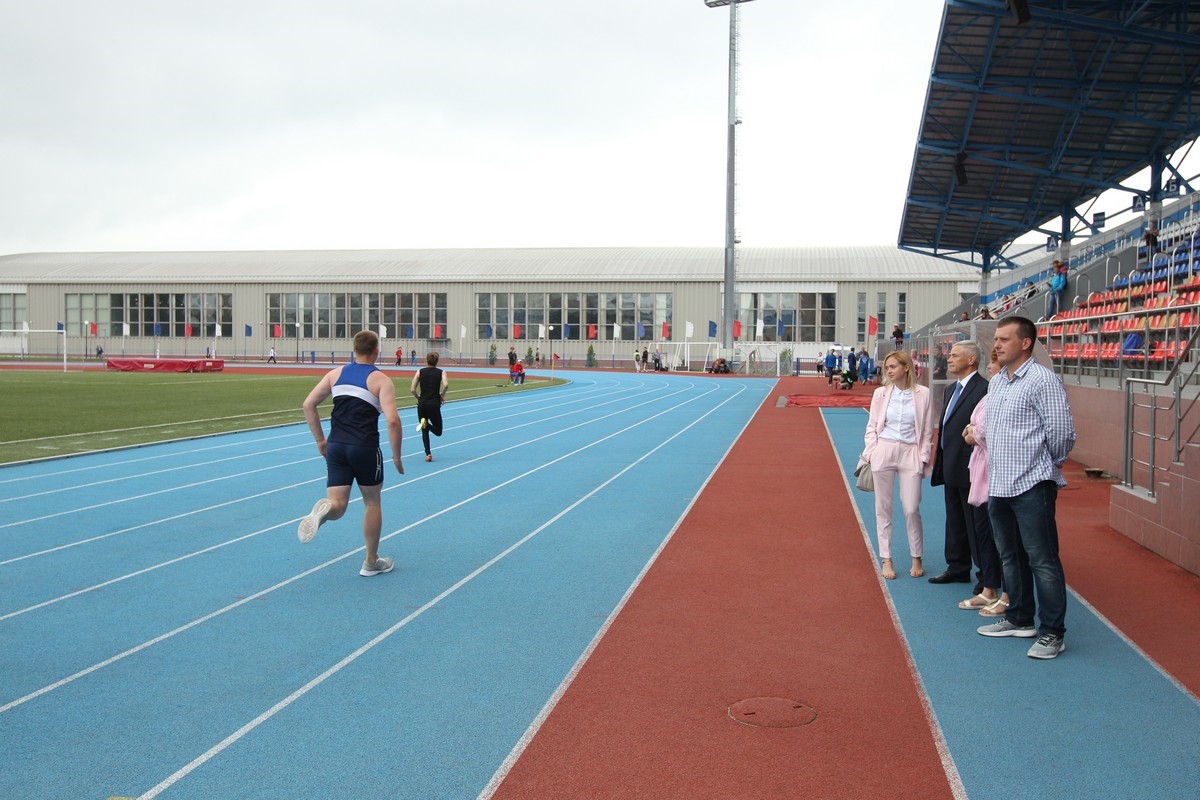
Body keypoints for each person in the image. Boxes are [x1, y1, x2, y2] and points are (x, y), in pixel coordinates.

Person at [976, 316, 1076, 659]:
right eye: (997, 339)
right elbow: (995, 430)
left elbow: (1062, 434)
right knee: (1010, 556)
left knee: (1042, 560)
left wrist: (1045, 466)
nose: (997, 344)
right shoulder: (998, 382)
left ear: (1025, 343)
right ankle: (1019, 618)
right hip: (999, 485)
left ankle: (1053, 632)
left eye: (1004, 339)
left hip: (1032, 485)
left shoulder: (1042, 381)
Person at [299, 330, 404, 577]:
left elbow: (308, 404)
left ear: (353, 350)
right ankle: (371, 561)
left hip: (336, 446)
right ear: (376, 351)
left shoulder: (335, 374)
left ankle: (324, 512)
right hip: (365, 447)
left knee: (338, 505)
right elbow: (392, 421)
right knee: (372, 502)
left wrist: (320, 441)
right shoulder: (381, 380)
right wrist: (396, 456)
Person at [859, 350, 934, 580]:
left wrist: (923, 457)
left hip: (911, 452)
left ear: (906, 367)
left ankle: (916, 556)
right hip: (885, 450)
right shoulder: (881, 393)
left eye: (893, 366)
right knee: (883, 508)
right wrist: (872, 452)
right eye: (887, 368)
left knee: (911, 507)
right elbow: (872, 426)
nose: (889, 371)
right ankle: (886, 558)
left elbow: (928, 430)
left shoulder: (924, 393)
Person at [928, 341, 991, 597]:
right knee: (954, 519)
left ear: (971, 360)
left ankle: (985, 575)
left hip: (970, 467)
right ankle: (957, 566)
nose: (949, 359)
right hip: (950, 463)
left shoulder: (983, 389)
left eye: (955, 356)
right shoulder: (951, 388)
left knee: (975, 523)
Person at [964, 348, 1009, 617]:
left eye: (993, 363)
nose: (988, 367)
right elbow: (974, 426)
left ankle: (1006, 593)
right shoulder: (989, 395)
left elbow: (992, 430)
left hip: (997, 473)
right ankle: (989, 588)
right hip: (981, 472)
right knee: (983, 532)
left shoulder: (1003, 396)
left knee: (1000, 536)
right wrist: (973, 432)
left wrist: (974, 433)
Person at [411, 351, 448, 463]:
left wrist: (418, 398)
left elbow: (412, 389)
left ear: (427, 360)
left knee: (424, 431)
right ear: (437, 361)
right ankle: (427, 425)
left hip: (422, 404)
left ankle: (428, 454)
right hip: (433, 404)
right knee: (438, 431)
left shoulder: (419, 372)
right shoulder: (442, 372)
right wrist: (442, 394)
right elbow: (446, 385)